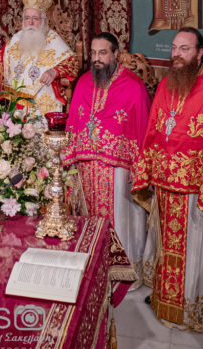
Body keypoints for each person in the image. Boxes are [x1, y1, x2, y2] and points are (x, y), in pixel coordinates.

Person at [131, 27, 203, 331]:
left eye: (184, 49)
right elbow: (155, 129)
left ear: (200, 53)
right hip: (166, 186)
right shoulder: (168, 83)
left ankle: (196, 311)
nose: (176, 54)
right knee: (165, 247)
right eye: (175, 48)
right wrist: (149, 168)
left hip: (195, 190)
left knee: (197, 250)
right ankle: (166, 303)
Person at [64, 32, 150, 278]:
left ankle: (123, 272)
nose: (96, 59)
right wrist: (69, 159)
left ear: (116, 55)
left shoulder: (133, 85)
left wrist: (139, 171)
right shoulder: (83, 82)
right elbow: (74, 123)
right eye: (93, 53)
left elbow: (142, 129)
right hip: (86, 169)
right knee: (89, 220)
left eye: (102, 53)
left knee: (121, 222)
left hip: (118, 172)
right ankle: (93, 269)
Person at [0, 0, 78, 116]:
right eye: (27, 18)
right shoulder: (17, 39)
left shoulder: (53, 39)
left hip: (43, 98)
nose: (30, 23)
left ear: (44, 21)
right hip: (16, 101)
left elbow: (72, 63)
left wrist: (54, 71)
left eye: (35, 18)